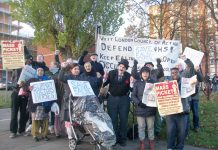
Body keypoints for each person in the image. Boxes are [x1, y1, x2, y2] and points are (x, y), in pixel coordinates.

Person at [166, 55, 195, 150]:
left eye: (176, 72)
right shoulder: (167, 83)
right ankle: (170, 147)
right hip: (171, 112)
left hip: (183, 112)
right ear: (170, 74)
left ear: (179, 73)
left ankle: (179, 148)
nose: (174, 73)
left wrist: (186, 59)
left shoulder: (184, 80)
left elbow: (190, 67)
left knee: (181, 133)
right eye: (172, 72)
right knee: (170, 132)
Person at [132, 58, 164, 138]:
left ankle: (156, 134)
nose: (148, 66)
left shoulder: (155, 74)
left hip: (152, 104)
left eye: (150, 65)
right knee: (142, 125)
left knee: (154, 121)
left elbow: (161, 72)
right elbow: (133, 73)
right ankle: (142, 140)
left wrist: (159, 63)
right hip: (141, 105)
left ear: (152, 67)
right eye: (147, 65)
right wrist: (135, 65)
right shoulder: (138, 81)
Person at [103, 59, 131, 147]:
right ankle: (114, 139)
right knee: (113, 120)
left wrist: (132, 83)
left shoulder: (128, 76)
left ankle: (122, 139)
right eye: (120, 66)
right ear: (118, 66)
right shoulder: (111, 73)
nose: (121, 68)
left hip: (124, 99)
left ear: (126, 69)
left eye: (124, 67)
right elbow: (103, 84)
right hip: (112, 99)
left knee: (123, 120)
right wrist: (104, 78)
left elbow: (132, 89)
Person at [131, 66, 156, 150]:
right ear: (141, 74)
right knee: (141, 127)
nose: (145, 74)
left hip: (150, 108)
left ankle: (151, 142)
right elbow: (133, 95)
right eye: (143, 72)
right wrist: (139, 102)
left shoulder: (153, 82)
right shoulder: (137, 83)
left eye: (147, 72)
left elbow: (157, 94)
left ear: (149, 74)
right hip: (140, 109)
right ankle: (142, 143)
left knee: (150, 127)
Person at [27, 68, 53, 142]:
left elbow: (51, 90)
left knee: (45, 120)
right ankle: (35, 135)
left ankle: (44, 135)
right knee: (35, 120)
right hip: (35, 104)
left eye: (42, 70)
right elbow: (24, 87)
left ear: (43, 72)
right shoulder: (32, 79)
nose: (40, 72)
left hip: (45, 103)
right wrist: (28, 88)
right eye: (38, 70)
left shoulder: (48, 80)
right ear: (36, 72)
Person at [58, 63, 81, 141]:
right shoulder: (68, 77)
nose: (77, 70)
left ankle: (76, 135)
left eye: (78, 69)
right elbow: (60, 78)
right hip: (68, 101)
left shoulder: (80, 78)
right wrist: (62, 68)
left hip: (78, 102)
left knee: (76, 119)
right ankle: (70, 136)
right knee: (68, 119)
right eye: (75, 69)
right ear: (71, 70)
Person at [190, 66, 203, 132]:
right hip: (187, 97)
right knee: (186, 114)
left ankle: (196, 126)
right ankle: (186, 127)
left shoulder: (197, 71)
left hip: (195, 97)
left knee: (196, 113)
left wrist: (197, 70)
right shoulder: (187, 71)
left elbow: (201, 79)